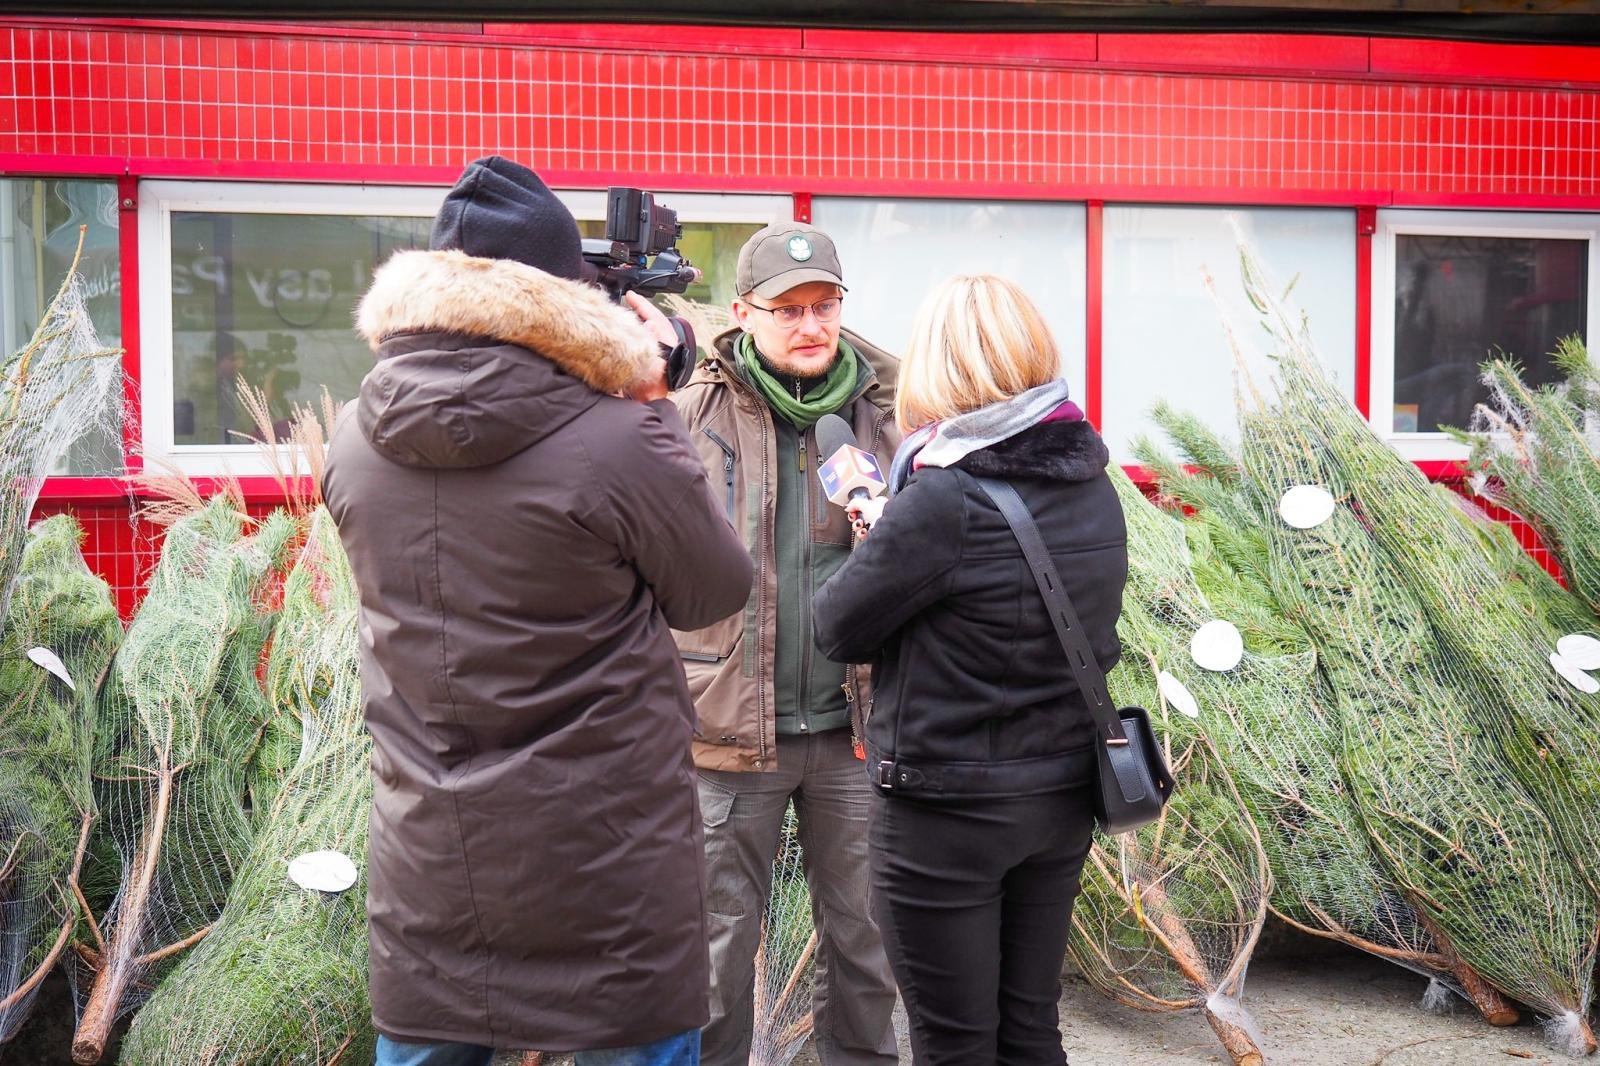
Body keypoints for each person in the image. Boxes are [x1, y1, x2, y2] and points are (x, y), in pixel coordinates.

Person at [322, 156, 753, 1066]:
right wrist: (652, 402)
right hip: (610, 875)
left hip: (433, 866)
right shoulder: (621, 435)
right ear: (562, 302)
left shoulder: (354, 442)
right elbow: (714, 591)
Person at [813, 274, 1129, 1066]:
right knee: (1030, 1030)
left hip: (945, 813)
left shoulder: (940, 500)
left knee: (954, 1045)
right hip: (1059, 799)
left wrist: (881, 538)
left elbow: (835, 626)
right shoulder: (1093, 482)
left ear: (939, 369)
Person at [668, 222, 900, 1066]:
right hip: (725, 728)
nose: (810, 325)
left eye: (825, 305)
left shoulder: (891, 413)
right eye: (788, 308)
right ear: (743, 311)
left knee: (871, 941)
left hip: (858, 728)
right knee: (715, 951)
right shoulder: (687, 410)